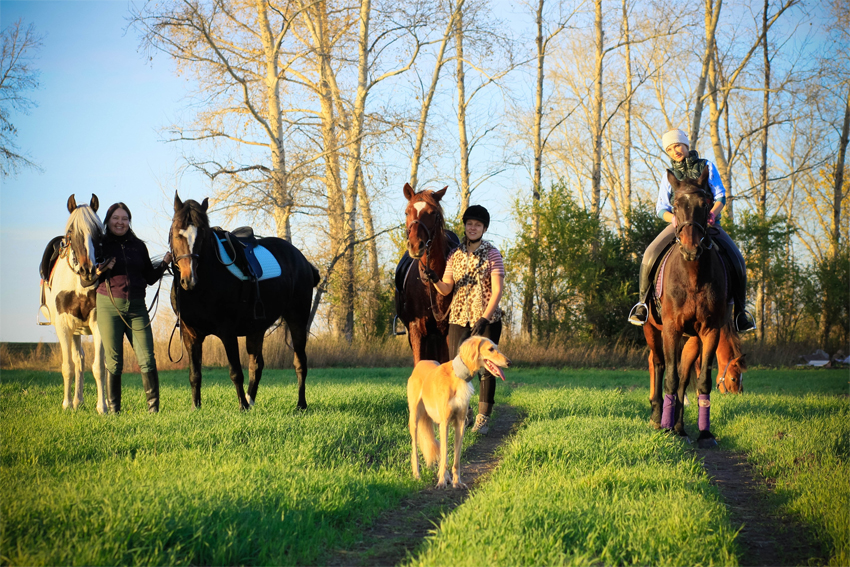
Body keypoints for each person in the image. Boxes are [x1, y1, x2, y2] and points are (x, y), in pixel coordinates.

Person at [627, 129, 756, 332]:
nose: (674, 151)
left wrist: (712, 214)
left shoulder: (707, 166)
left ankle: (740, 312)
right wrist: (675, 220)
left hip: (708, 224)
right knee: (650, 253)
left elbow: (721, 196)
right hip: (679, 226)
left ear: (686, 145)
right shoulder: (668, 175)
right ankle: (642, 304)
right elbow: (661, 208)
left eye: (677, 145)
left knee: (737, 258)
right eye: (669, 148)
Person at [425, 205, 506, 435]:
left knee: (487, 368)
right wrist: (434, 280)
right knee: (458, 368)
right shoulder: (455, 255)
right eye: (470, 224)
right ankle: (465, 412)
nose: (473, 228)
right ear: (465, 226)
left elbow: (498, 290)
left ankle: (483, 417)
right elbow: (446, 288)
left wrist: (485, 318)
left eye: (477, 225)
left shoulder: (492, 253)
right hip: (459, 317)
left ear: (484, 228)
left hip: (486, 319)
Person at [95, 202, 172, 413]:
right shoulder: (99, 245)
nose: (120, 222)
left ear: (129, 222)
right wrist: (101, 269)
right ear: (108, 220)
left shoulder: (139, 246)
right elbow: (86, 279)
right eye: (116, 218)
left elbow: (148, 278)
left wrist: (164, 263)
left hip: (138, 307)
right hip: (109, 307)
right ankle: (114, 412)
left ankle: (153, 410)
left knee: (147, 358)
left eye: (124, 218)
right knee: (114, 361)